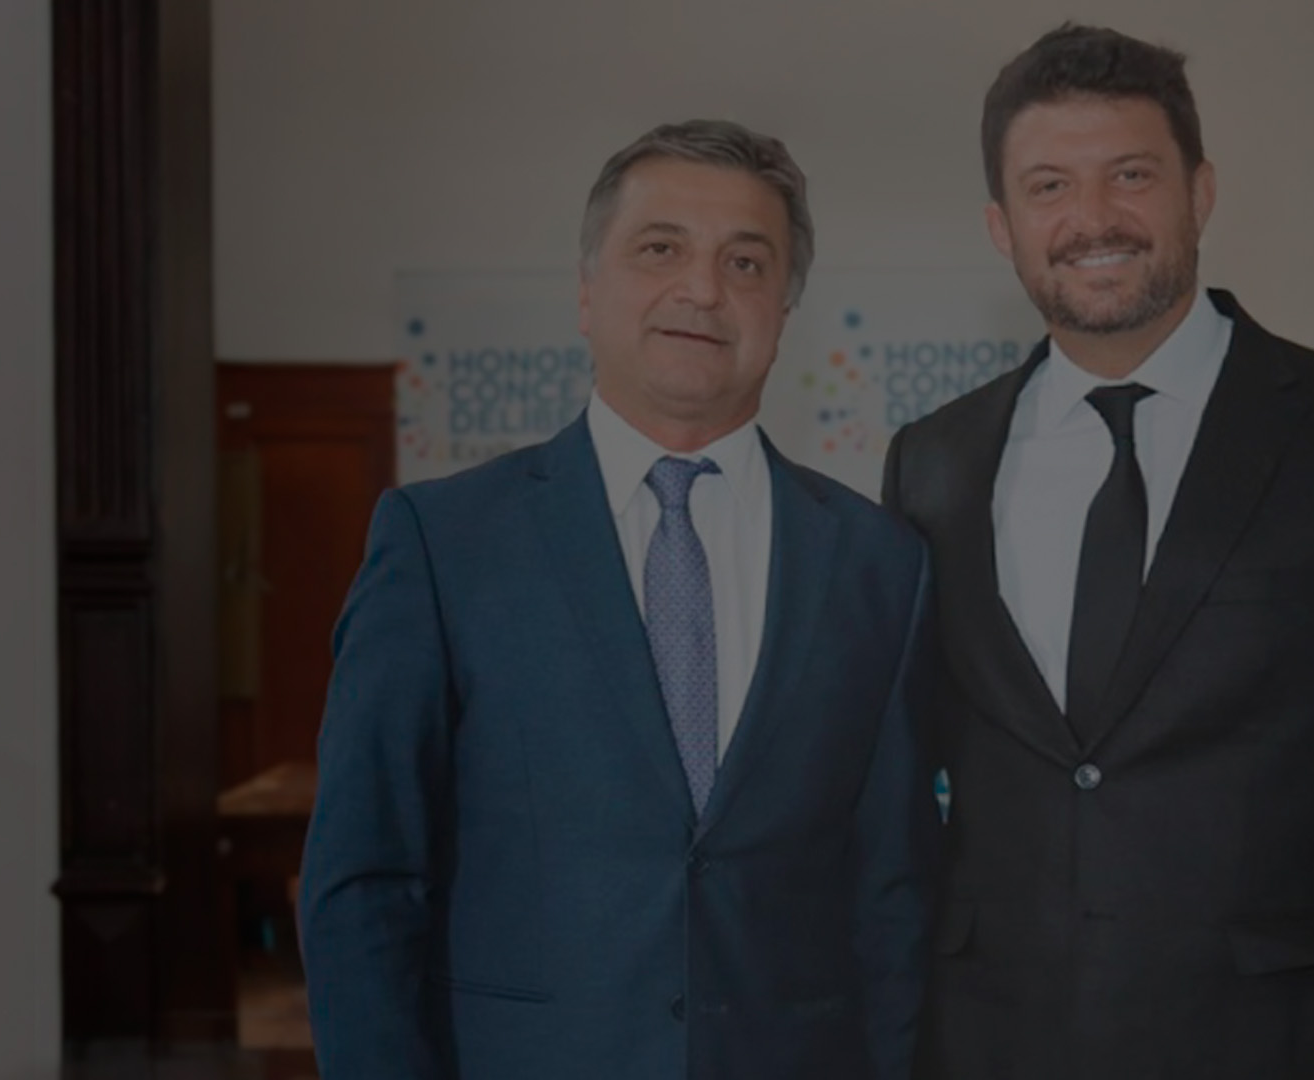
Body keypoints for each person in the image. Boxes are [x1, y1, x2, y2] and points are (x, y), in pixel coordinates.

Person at [882, 25, 1314, 1080]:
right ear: (1002, 226)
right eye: (1050, 186)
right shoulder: (932, 464)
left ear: (1200, 192)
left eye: (1131, 175)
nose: (1093, 218)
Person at [300, 119, 940, 1080]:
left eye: (746, 262)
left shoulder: (878, 565)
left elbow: (894, 896)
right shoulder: (443, 544)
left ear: (783, 310)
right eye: (660, 249)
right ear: (587, 291)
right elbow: (364, 879)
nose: (703, 290)